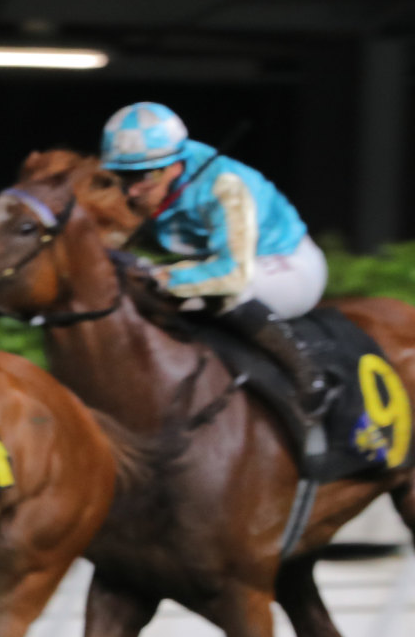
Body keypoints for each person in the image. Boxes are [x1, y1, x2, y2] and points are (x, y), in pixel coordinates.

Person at [101, 101, 331, 432]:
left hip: (287, 266)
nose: (133, 190)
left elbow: (231, 275)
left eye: (144, 176)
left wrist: (161, 275)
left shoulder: (225, 186)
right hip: (216, 259)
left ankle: (308, 375)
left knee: (223, 293)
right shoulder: (153, 184)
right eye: (124, 176)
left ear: (175, 165)